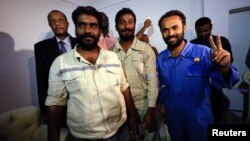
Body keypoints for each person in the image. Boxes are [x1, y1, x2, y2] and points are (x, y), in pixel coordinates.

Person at [45, 6, 138, 141]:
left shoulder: (113, 57)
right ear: (75, 29)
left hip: (120, 130)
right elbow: (54, 103)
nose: (88, 30)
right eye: (82, 25)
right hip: (83, 137)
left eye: (93, 26)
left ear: (99, 30)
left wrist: (133, 119)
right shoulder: (60, 64)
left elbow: (124, 88)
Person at [157, 10, 240, 141]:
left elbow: (228, 82)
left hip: (199, 121)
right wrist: (162, 108)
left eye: (175, 27)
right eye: (165, 30)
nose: (170, 33)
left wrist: (224, 67)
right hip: (174, 121)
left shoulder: (204, 52)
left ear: (184, 27)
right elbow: (162, 87)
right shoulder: (160, 58)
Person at [113, 8, 159, 141]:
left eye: (130, 22)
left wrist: (151, 111)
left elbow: (152, 81)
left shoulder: (146, 50)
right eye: (122, 22)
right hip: (120, 109)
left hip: (144, 106)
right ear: (116, 26)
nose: (127, 26)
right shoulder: (110, 53)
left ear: (134, 24)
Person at [34, 10, 77, 123]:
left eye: (60, 20)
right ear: (50, 25)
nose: (56, 24)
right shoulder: (41, 48)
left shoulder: (80, 43)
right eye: (52, 21)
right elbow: (41, 80)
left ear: (67, 23)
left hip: (80, 102)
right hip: (56, 103)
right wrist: (44, 111)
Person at [190, 17, 234, 124]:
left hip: (215, 86)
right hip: (196, 86)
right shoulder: (191, 44)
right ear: (196, 30)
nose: (203, 33)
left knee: (215, 115)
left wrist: (220, 61)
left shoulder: (222, 41)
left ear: (211, 27)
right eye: (199, 31)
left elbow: (229, 62)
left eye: (206, 30)